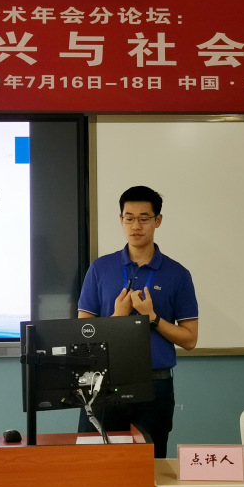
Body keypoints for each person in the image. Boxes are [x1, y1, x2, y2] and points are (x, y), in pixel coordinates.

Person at [76, 185, 199, 458]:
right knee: (95, 466)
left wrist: (152, 318)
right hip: (102, 383)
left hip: (155, 386)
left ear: (158, 220)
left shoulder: (178, 274)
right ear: (121, 219)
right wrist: (118, 318)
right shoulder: (100, 268)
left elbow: (190, 339)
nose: (135, 226)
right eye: (129, 218)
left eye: (144, 218)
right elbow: (83, 336)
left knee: (149, 467)